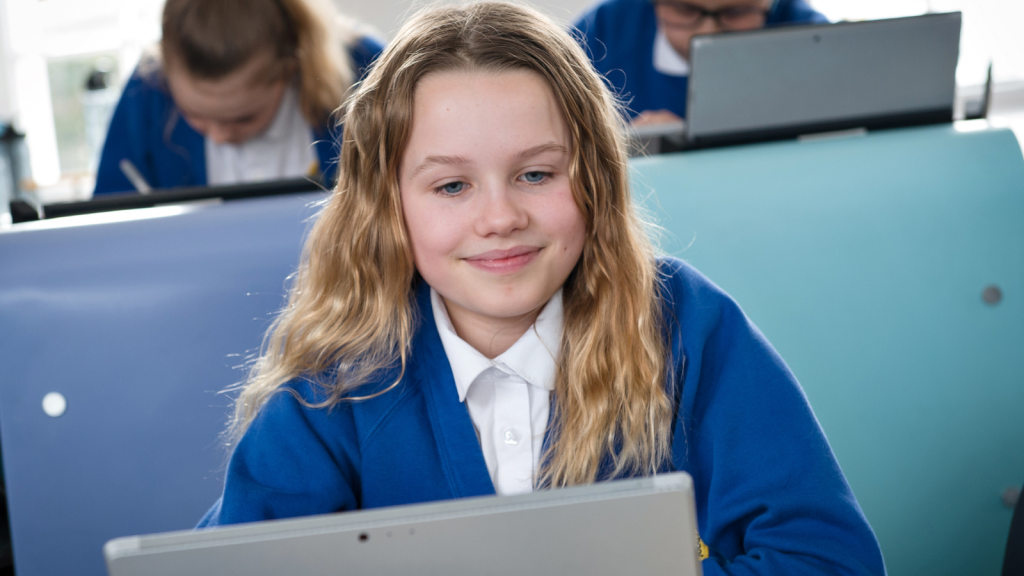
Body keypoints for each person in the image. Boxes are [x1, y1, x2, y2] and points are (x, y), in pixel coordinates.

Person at [198, 3, 886, 574]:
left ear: (594, 181)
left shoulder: (685, 328)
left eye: (536, 174)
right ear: (387, 207)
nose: (499, 218)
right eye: (451, 186)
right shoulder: (335, 385)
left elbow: (827, 559)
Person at [93, 0, 383, 195]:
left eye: (243, 118)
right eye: (194, 115)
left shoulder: (370, 75)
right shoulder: (146, 92)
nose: (219, 137)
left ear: (291, 65)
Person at [573, 0, 828, 125]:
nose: (708, 32)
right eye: (685, 9)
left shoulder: (815, 42)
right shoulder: (600, 35)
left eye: (735, 12)